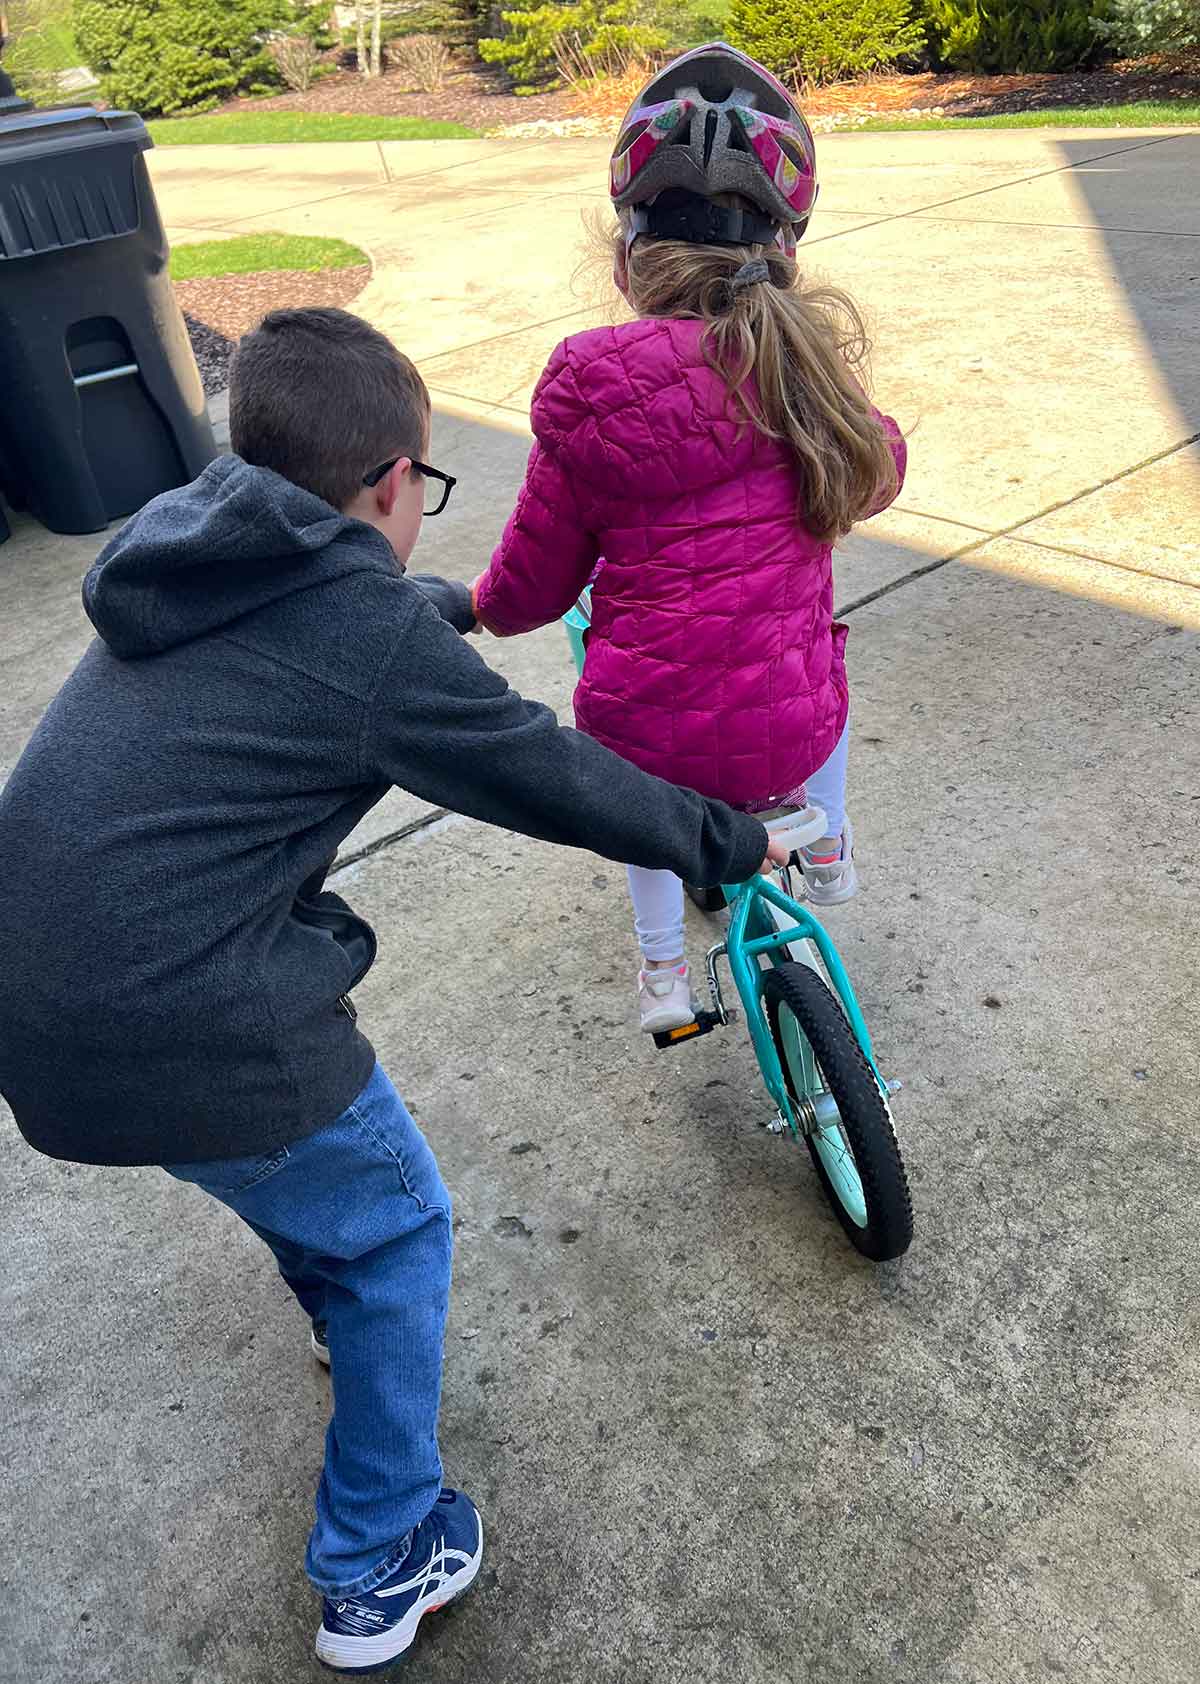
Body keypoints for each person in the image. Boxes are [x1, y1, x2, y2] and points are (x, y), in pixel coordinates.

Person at [0, 307, 786, 1673]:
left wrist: (434, 605)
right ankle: (375, 1564)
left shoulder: (191, 545)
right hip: (192, 1024)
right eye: (420, 491)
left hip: (45, 1008)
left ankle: (340, 1318)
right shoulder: (363, 643)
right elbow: (553, 775)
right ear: (383, 488)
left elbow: (326, 619)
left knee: (312, 1197)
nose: (419, 514)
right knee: (397, 1228)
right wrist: (729, 836)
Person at [473, 41, 907, 1036]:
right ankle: (828, 848)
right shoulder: (808, 370)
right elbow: (879, 471)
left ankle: (663, 973)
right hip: (789, 731)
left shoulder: (590, 387)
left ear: (626, 262)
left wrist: (483, 607)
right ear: (787, 257)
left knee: (648, 810)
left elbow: (535, 586)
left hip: (654, 744)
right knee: (817, 666)